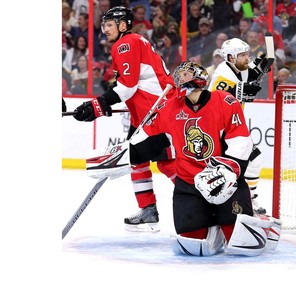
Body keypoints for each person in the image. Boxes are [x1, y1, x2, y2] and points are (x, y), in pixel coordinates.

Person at [85, 61, 282, 257]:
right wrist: (118, 157)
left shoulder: (224, 101)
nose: (180, 80)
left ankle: (258, 221)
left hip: (226, 183)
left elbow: (241, 141)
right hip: (188, 186)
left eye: (185, 75)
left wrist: (226, 171)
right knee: (192, 245)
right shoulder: (170, 107)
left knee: (242, 243)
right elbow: (146, 140)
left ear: (200, 77)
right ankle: (214, 226)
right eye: (178, 76)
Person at [72, 6, 176, 232]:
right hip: (147, 111)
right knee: (136, 160)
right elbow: (127, 86)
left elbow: (127, 87)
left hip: (155, 110)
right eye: (104, 25)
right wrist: (104, 104)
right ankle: (149, 209)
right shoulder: (134, 41)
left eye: (109, 25)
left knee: (167, 162)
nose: (105, 29)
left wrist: (97, 105)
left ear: (122, 25)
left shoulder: (125, 44)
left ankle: (198, 200)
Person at [208, 38, 273, 214]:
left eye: (247, 54)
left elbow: (252, 74)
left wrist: (262, 67)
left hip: (233, 127)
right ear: (230, 57)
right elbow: (215, 98)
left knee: (253, 160)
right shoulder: (222, 73)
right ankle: (228, 204)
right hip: (219, 130)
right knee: (234, 168)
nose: (247, 58)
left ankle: (248, 200)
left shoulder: (240, 66)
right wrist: (241, 90)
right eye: (243, 55)